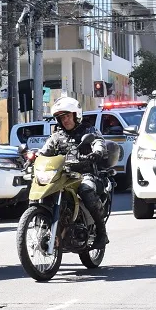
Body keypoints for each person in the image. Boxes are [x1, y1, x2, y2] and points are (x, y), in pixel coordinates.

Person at [39, 96, 110, 249]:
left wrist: (97, 152)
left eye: (67, 116)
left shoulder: (89, 130)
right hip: (63, 176)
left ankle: (101, 233)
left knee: (86, 189)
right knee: (42, 190)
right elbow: (44, 152)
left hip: (85, 174)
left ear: (75, 115)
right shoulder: (57, 136)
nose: (65, 120)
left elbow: (98, 142)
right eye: (61, 118)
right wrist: (33, 158)